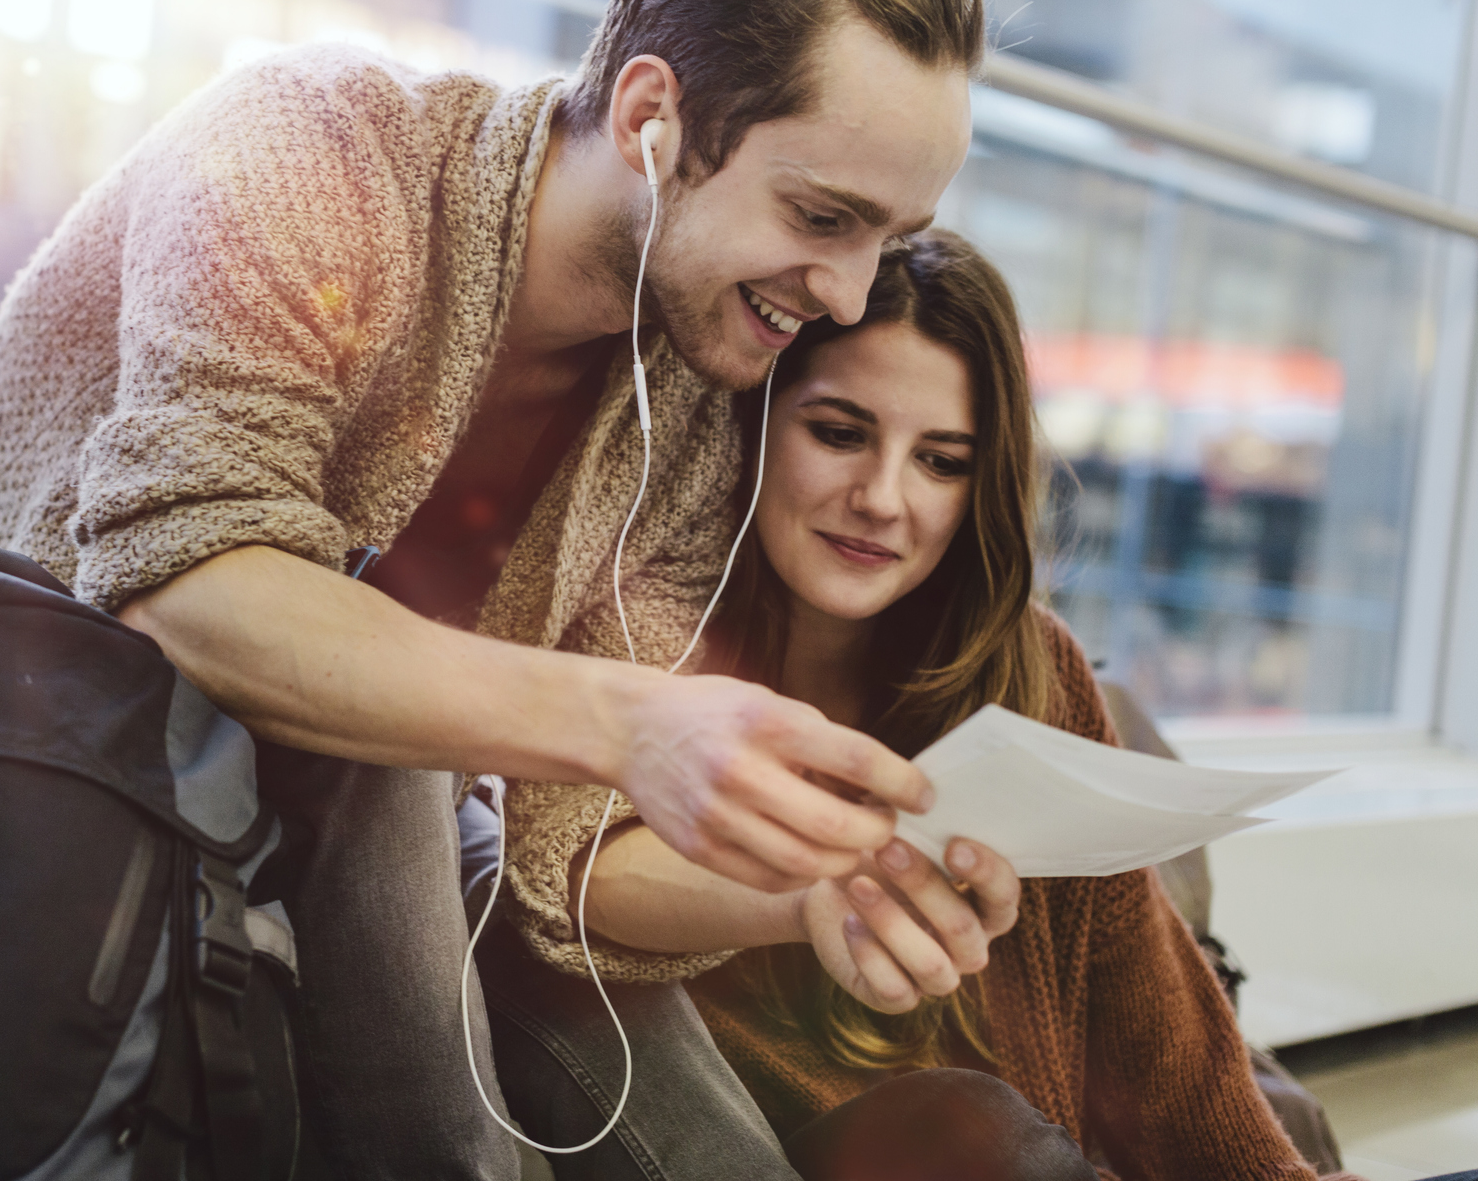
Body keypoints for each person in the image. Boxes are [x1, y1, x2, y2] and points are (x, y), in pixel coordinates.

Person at [0, 0, 980, 1178]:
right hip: (26, 767)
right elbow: (190, 584)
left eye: (891, 239)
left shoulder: (700, 392)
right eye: (821, 217)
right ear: (654, 117)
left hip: (357, 839)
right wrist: (626, 717)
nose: (842, 293)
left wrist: (811, 883)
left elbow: (562, 854)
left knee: (709, 1154)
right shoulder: (308, 147)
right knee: (392, 761)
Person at [520, 230, 1367, 1180]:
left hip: (1036, 1150)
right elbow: (557, 866)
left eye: (942, 461)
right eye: (837, 433)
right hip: (830, 1149)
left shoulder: (1027, 665)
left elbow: (1164, 1049)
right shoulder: (647, 630)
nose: (882, 499)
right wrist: (811, 892)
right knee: (971, 1130)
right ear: (753, 425)